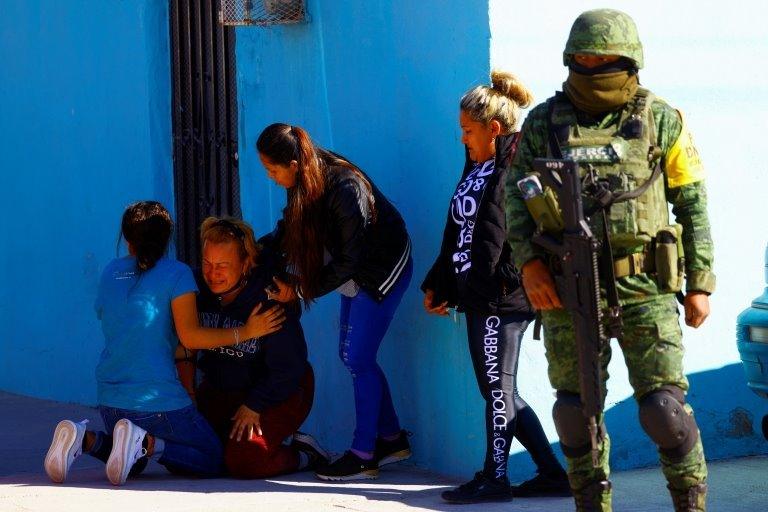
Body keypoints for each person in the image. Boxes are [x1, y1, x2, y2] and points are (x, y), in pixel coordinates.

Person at [505, 9, 714, 512]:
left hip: (646, 287)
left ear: (628, 59)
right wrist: (529, 265)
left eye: (603, 58)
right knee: (576, 415)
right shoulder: (543, 123)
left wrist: (700, 280)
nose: (592, 64)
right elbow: (514, 197)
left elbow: (690, 199)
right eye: (583, 57)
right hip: (567, 287)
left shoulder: (662, 118)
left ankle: (692, 505)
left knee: (665, 412)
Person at [43, 201, 283, 485]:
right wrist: (246, 331)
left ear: (127, 239)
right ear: (167, 238)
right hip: (158, 404)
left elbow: (110, 318)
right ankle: (148, 443)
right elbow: (190, 337)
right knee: (213, 457)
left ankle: (86, 439)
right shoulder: (177, 274)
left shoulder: (110, 272)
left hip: (110, 402)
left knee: (131, 463)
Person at [422, 71, 570, 504]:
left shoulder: (513, 168)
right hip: (478, 293)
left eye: (468, 131)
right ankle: (551, 473)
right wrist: (439, 283)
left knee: (498, 388)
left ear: (494, 129)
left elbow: (502, 238)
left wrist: (483, 288)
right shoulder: (478, 164)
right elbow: (462, 232)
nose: (462, 139)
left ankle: (495, 477)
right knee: (498, 389)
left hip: (502, 296)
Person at [256, 123, 413, 481]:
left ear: (294, 163)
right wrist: (255, 251)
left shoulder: (344, 186)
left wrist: (298, 290)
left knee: (357, 357)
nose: (270, 176)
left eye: (272, 169)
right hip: (352, 270)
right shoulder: (303, 180)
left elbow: (349, 261)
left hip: (379, 269)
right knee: (353, 356)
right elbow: (288, 230)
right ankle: (391, 438)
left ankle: (363, 454)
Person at [174, 216, 329, 478]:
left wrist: (255, 404)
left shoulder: (268, 296)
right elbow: (185, 346)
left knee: (246, 460)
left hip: (278, 390)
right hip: (222, 389)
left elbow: (289, 368)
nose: (213, 274)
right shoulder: (195, 288)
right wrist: (190, 396)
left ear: (246, 263)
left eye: (223, 265)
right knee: (184, 455)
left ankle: (304, 454)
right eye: (207, 264)